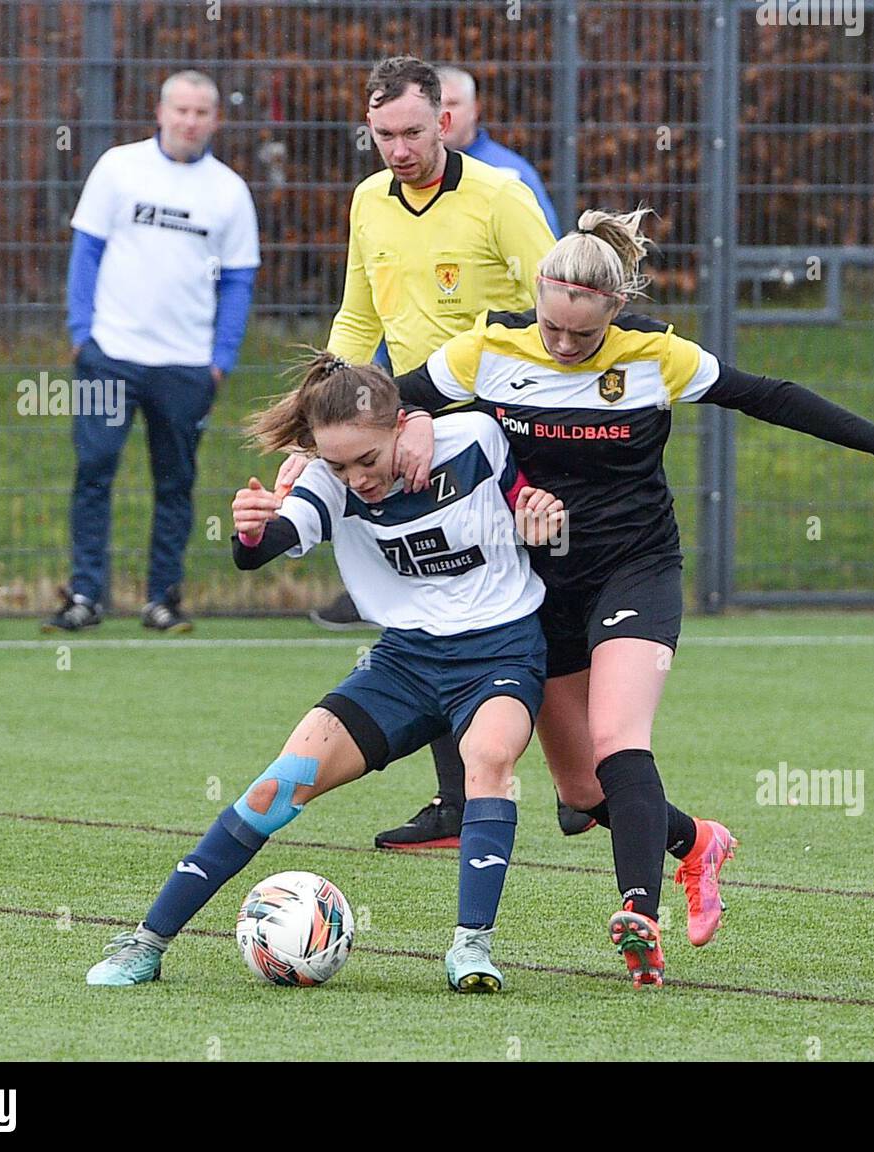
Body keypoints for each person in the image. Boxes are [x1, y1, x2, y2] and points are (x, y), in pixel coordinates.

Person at [389, 207, 874, 985]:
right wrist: (412, 419)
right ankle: (697, 843)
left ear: (614, 310)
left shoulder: (656, 357)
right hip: (535, 581)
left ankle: (639, 910)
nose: (564, 347)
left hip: (636, 569)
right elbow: (375, 402)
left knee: (619, 743)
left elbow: (770, 395)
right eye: (553, 330)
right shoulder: (486, 349)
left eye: (583, 334)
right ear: (536, 295)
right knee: (580, 795)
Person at [85, 354, 565, 993]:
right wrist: (252, 530)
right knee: (276, 788)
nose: (356, 478)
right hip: (403, 664)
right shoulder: (327, 480)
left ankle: (471, 949)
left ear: (401, 425)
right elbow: (268, 545)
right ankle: (145, 945)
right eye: (338, 464)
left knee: (488, 760)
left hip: (501, 651)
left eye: (367, 460)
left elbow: (530, 502)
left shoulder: (472, 440)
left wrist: (541, 519)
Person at [302, 56, 592, 847]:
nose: (398, 149)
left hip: (504, 420)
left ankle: (582, 780)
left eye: (413, 132)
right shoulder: (368, 201)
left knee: (546, 585)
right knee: (432, 591)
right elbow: (360, 320)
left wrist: (429, 405)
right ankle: (459, 802)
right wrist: (320, 415)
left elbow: (551, 306)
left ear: (446, 123)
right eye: (383, 135)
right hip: (410, 422)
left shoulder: (500, 196)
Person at [45, 70, 260, 634]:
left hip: (187, 366)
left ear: (216, 119)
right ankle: (85, 595)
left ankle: (162, 600)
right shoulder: (118, 168)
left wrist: (221, 360)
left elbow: (238, 281)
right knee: (93, 471)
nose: (190, 121)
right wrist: (81, 332)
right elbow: (86, 252)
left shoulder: (229, 192)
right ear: (160, 112)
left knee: (175, 483)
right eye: (181, 110)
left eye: (201, 112)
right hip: (109, 355)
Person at [438, 65, 561, 237]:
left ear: (475, 109)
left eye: (453, 104)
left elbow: (545, 241)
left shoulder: (510, 172)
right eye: (437, 104)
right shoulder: (412, 168)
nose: (443, 113)